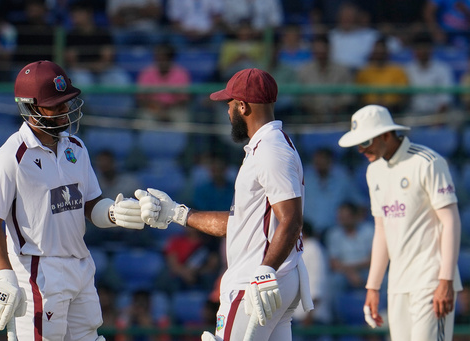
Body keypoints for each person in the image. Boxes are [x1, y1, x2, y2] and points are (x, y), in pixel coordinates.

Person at [135, 68, 313, 341]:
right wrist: (178, 213)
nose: (227, 111)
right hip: (273, 277)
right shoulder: (269, 145)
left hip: (255, 279)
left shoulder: (270, 150)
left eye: (229, 104)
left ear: (243, 106)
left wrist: (265, 271)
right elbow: (240, 222)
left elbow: (292, 219)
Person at [0, 60, 145, 341]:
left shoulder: (77, 148)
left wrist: (116, 213)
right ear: (30, 108)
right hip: (37, 271)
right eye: (55, 106)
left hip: (80, 264)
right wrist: (5, 275)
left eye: (66, 102)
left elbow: (91, 205)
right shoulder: (12, 156)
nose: (65, 111)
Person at [338, 104, 462, 341]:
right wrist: (373, 287)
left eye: (366, 141)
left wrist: (445, 280)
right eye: (359, 143)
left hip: (431, 280)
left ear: (386, 134)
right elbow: (382, 230)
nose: (361, 149)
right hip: (397, 285)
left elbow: (451, 221)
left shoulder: (428, 162)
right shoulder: (373, 171)